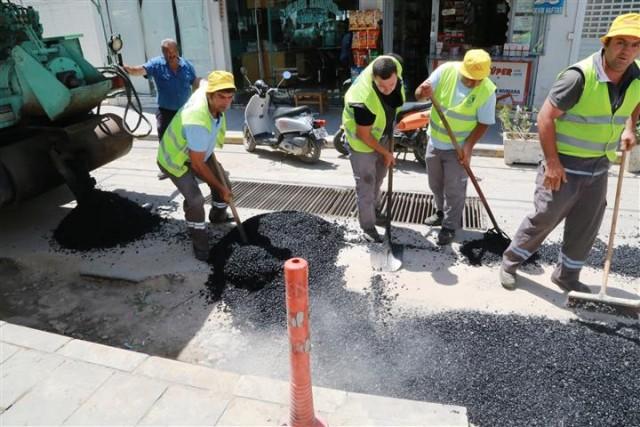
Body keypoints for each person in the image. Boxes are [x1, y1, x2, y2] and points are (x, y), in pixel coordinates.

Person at [499, 13, 640, 292]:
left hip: (599, 166)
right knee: (545, 217)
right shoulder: (579, 77)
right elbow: (545, 118)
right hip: (563, 165)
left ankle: (567, 276)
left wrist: (630, 127)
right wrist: (552, 162)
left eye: (635, 44)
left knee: (586, 224)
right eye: (621, 43)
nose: (627, 51)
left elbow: (633, 104)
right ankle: (510, 262)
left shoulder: (636, 77)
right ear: (608, 42)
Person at [415, 49, 497, 245]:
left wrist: (468, 147)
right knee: (435, 184)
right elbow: (419, 94)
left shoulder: (487, 90)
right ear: (463, 69)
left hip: (458, 148)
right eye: (470, 78)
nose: (475, 83)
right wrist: (423, 92)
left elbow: (484, 122)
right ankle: (440, 212)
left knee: (454, 188)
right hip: (434, 142)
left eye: (479, 79)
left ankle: (450, 226)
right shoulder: (445, 71)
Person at [157, 71, 236, 261]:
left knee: (225, 181)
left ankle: (218, 216)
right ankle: (200, 244)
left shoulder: (205, 89)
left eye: (230, 97)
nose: (226, 102)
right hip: (175, 159)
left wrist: (223, 186)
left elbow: (199, 81)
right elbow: (198, 165)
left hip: (199, 150)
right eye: (221, 97)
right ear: (210, 95)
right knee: (195, 200)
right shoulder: (197, 120)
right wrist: (220, 188)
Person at [342, 55, 405, 242]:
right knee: (366, 185)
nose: (387, 90)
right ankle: (368, 226)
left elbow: (394, 100)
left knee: (378, 179)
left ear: (396, 73)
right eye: (381, 86)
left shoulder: (394, 66)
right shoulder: (362, 98)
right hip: (361, 143)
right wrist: (386, 152)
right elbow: (364, 135)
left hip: (382, 134)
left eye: (391, 85)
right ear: (373, 79)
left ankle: (375, 212)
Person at [123, 38, 198, 142]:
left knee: (187, 141)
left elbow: (195, 83)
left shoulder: (188, 66)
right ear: (163, 53)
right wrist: (129, 69)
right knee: (165, 142)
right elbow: (139, 71)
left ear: (177, 51)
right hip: (166, 113)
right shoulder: (156, 64)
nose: (170, 54)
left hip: (185, 112)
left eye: (173, 51)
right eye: (167, 52)